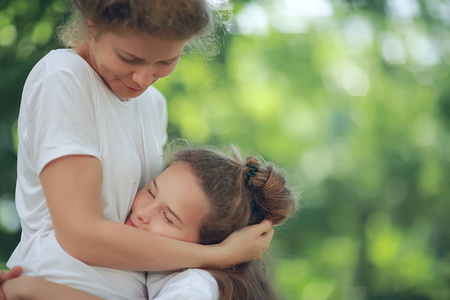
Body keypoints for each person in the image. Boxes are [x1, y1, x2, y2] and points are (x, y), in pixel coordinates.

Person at [2, 1, 274, 299]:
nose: (143, 79)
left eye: (166, 61)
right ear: (93, 24)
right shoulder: (64, 77)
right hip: (53, 286)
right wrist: (219, 255)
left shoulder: (153, 105)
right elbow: (80, 237)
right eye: (128, 58)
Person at [3, 145, 299, 300]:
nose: (143, 211)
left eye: (168, 218)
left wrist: (26, 289)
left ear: (207, 242)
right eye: (151, 191)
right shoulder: (161, 272)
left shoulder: (196, 284)